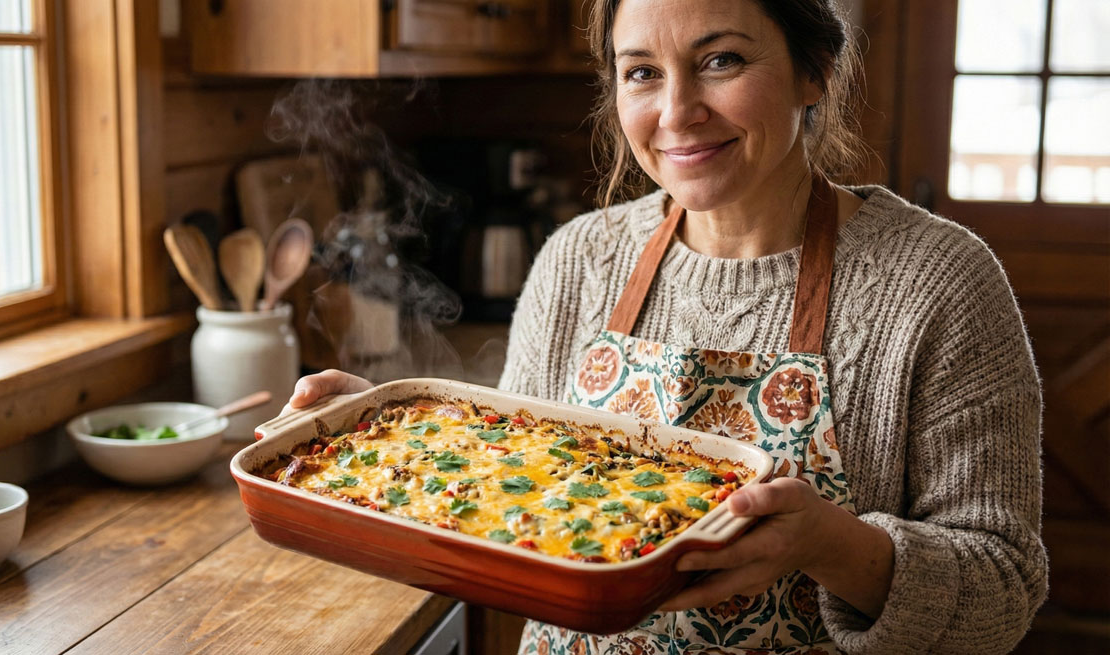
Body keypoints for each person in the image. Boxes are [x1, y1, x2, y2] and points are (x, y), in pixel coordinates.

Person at [284, 0, 1047, 652]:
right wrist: (402, 441)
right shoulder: (579, 258)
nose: (677, 112)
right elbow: (504, 493)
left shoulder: (938, 281)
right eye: (642, 71)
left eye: (721, 60)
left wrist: (826, 542)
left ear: (814, 71)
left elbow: (1003, 592)